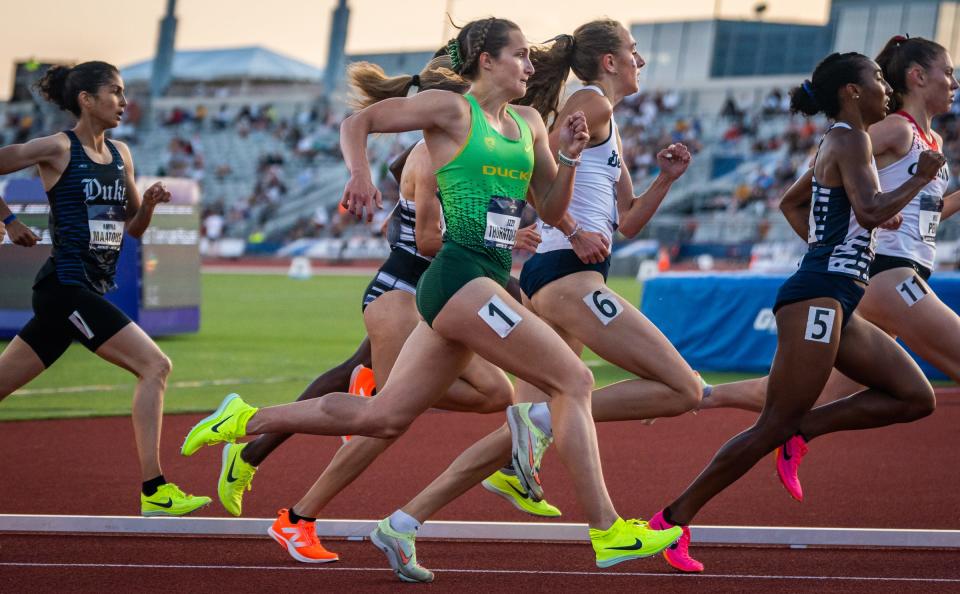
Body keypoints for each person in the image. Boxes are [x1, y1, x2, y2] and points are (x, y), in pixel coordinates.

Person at [181, 17, 682, 582]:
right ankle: (608, 531)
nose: (531, 65)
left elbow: (547, 204)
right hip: (458, 275)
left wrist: (568, 155)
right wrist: (360, 174)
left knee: (386, 416)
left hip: (486, 276)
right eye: (519, 54)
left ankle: (244, 418)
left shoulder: (529, 124)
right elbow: (360, 121)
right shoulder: (451, 112)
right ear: (486, 61)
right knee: (575, 380)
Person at [361, 19, 709, 578]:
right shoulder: (590, 103)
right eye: (634, 52)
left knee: (526, 422)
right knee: (681, 387)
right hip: (565, 276)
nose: (641, 61)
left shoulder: (609, 121)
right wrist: (571, 228)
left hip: (568, 271)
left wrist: (665, 180)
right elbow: (544, 178)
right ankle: (599, 516)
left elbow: (628, 220)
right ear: (610, 62)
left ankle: (403, 522)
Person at [646, 51, 944, 572]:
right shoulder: (849, 139)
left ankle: (803, 431)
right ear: (851, 92)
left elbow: (813, 206)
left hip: (840, 294)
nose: (885, 89)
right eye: (877, 79)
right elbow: (872, 210)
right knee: (771, 425)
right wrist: (917, 179)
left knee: (915, 396)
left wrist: (841, 246)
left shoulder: (850, 142)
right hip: (820, 296)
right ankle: (670, 523)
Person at [701, 35, 960, 500]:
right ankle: (786, 429)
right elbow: (815, 184)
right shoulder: (892, 130)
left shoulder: (931, 140)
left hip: (880, 276)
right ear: (919, 77)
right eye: (949, 72)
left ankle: (695, 395)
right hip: (887, 275)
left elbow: (929, 212)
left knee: (812, 395)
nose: (955, 82)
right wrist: (833, 250)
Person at [0, 61, 210, 516]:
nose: (123, 100)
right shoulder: (57, 148)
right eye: (114, 92)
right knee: (155, 366)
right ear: (86, 100)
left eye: (123, 91)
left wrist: (149, 205)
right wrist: (10, 220)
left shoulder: (121, 155)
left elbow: (132, 229)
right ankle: (155, 489)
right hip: (65, 287)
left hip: (86, 289)